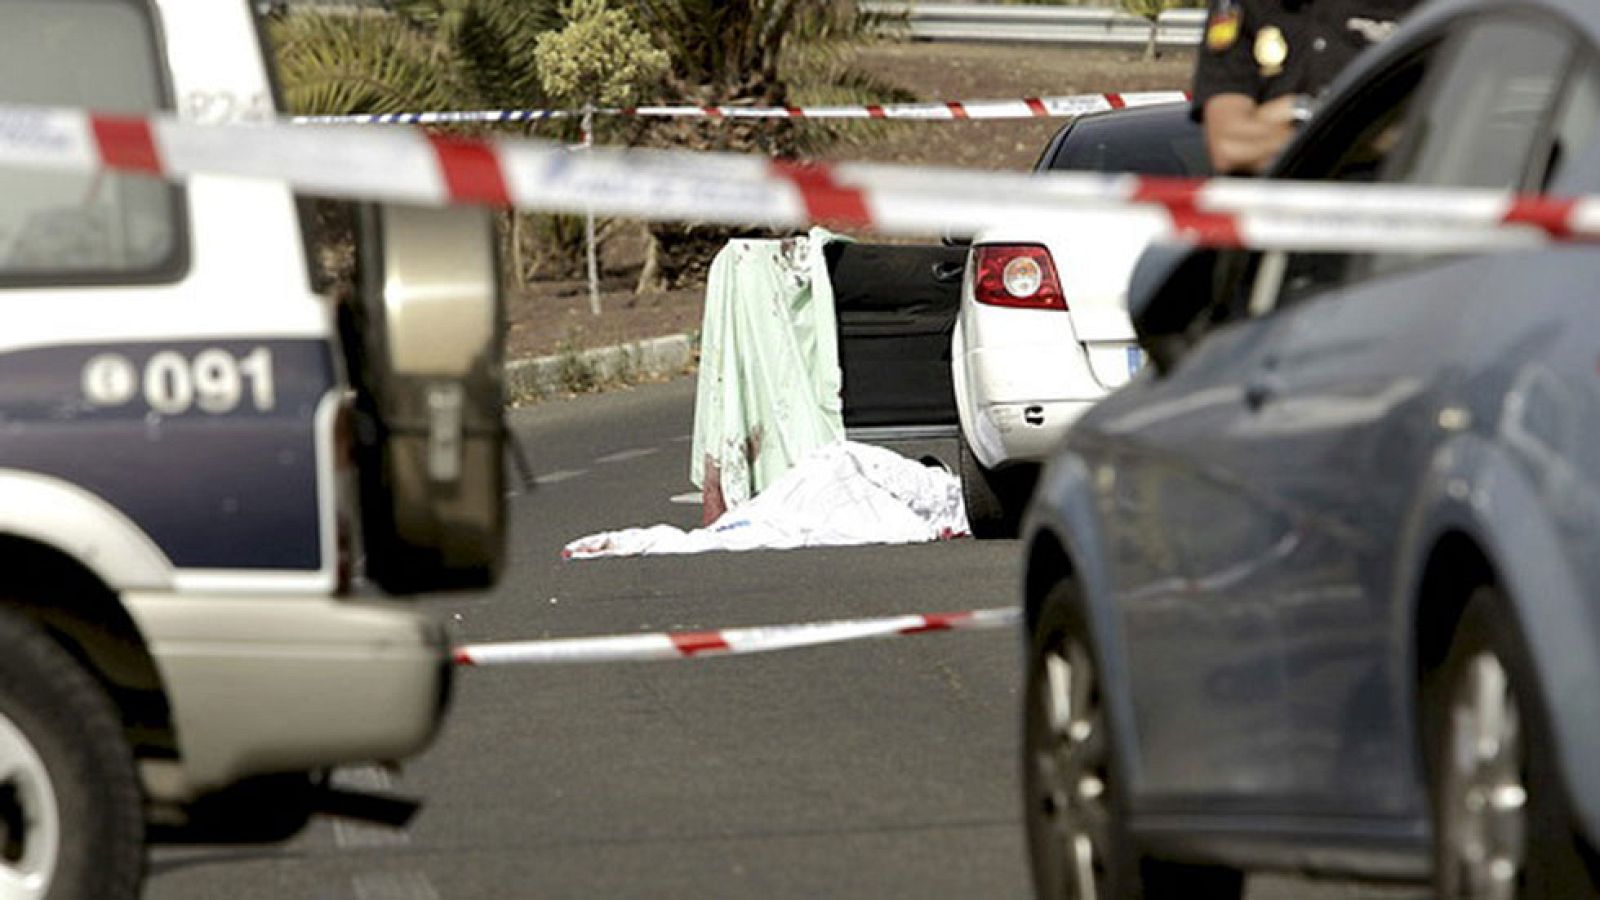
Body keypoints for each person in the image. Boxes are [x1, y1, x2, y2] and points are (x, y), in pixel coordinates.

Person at [1191, 0, 1420, 174]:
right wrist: (1351, 128)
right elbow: (1230, 145)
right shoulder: (1246, 7)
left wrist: (1289, 116)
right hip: (1271, 225)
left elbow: (1420, 133)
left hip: (1382, 220)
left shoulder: (1414, 8)